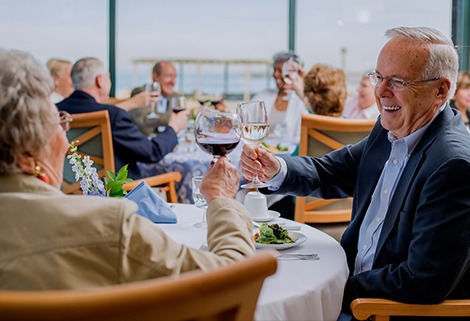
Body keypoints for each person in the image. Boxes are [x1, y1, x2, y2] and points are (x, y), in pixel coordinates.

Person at [240, 26, 470, 320]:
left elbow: (422, 280)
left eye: (397, 81)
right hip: (352, 287)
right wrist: (277, 169)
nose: (380, 91)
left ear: (440, 90)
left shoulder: (453, 164)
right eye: (378, 77)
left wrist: (336, 286)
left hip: (377, 309)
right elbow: (333, 171)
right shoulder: (391, 128)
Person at [0, 48, 255, 290]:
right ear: (25, 152)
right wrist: (221, 199)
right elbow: (231, 278)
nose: (67, 140)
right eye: (59, 123)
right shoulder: (110, 228)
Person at [57, 57, 189, 179]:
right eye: (108, 77)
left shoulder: (54, 112)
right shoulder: (114, 116)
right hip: (114, 194)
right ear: (100, 81)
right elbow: (151, 152)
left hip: (67, 192)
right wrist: (173, 127)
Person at [252, 51, 309, 146]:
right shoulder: (263, 96)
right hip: (262, 150)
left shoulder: (302, 100)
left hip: (290, 155)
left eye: (279, 70)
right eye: (274, 70)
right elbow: (243, 120)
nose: (275, 74)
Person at [130, 61, 179, 136]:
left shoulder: (177, 97)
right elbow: (143, 121)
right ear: (156, 77)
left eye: (175, 76)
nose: (173, 81)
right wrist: (174, 120)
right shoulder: (141, 93)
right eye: (169, 76)